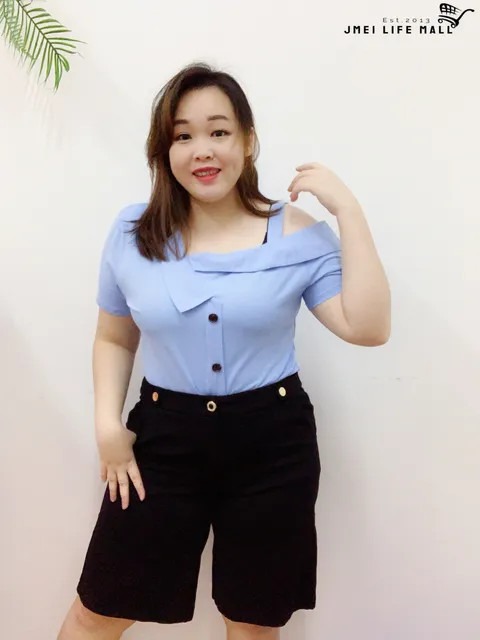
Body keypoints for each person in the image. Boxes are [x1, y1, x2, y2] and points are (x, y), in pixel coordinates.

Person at [57, 62, 390, 640]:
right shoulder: (133, 233)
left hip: (272, 443)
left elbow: (367, 327)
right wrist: (107, 425)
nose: (202, 150)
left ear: (247, 140)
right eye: (182, 136)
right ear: (164, 151)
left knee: (253, 621)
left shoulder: (297, 234)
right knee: (99, 609)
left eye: (218, 131)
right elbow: (114, 335)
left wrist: (349, 212)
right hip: (161, 441)